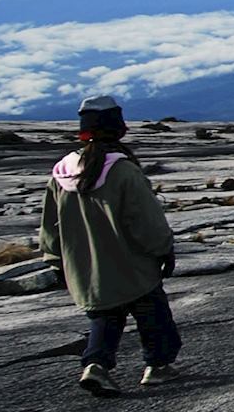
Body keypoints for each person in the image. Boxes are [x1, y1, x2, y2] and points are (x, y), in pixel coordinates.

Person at [40, 95, 183, 397]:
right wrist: (162, 249)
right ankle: (157, 367)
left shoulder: (62, 172)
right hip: (132, 264)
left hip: (85, 268)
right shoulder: (122, 170)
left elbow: (50, 226)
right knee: (154, 316)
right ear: (118, 128)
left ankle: (96, 365)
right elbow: (145, 220)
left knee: (105, 319)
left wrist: (55, 260)